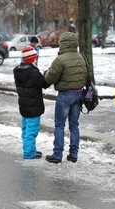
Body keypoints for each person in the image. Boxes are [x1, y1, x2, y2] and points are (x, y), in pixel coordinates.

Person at [44, 32, 87, 163]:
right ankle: (73, 154)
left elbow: (50, 78)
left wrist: (46, 73)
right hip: (78, 94)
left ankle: (57, 154)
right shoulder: (81, 57)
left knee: (59, 125)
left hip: (65, 95)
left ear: (62, 44)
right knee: (74, 125)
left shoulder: (60, 60)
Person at [13, 46, 50, 159]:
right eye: (35, 57)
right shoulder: (33, 72)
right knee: (32, 131)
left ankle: (32, 150)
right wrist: (47, 73)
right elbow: (45, 83)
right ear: (33, 58)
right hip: (33, 106)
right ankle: (29, 153)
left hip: (24, 105)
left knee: (26, 129)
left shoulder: (18, 71)